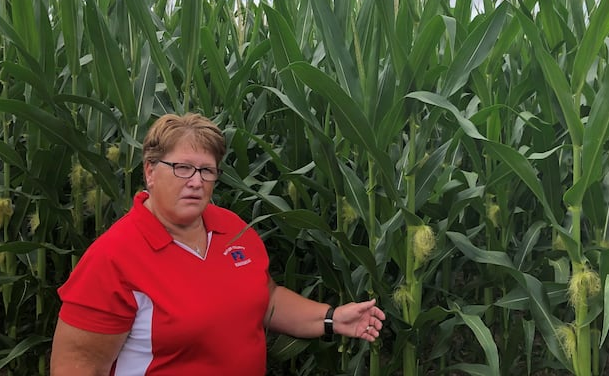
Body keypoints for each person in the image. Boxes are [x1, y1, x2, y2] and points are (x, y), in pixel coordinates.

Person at [50, 112, 385, 375]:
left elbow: (264, 298)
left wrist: (332, 318)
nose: (196, 182)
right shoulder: (113, 258)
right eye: (182, 168)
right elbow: (77, 366)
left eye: (207, 171)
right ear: (150, 171)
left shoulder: (233, 229)